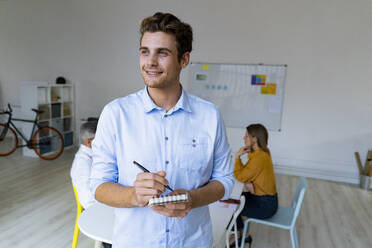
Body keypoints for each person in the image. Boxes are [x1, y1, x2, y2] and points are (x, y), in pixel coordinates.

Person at [90, 12, 234, 248]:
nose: (150, 62)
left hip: (193, 242)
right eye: (145, 51)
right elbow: (98, 186)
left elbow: (225, 179)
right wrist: (133, 195)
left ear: (184, 60)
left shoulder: (210, 116)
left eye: (162, 53)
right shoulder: (115, 114)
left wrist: (192, 198)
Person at [232, 123, 278, 245]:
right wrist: (248, 181)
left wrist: (237, 157)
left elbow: (240, 176)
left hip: (265, 205)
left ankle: (238, 235)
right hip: (265, 199)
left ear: (254, 139)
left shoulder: (259, 158)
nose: (244, 138)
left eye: (246, 136)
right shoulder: (261, 153)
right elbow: (245, 174)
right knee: (234, 199)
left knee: (232, 206)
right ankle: (243, 234)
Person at [70, 121, 98, 209]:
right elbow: (88, 201)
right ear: (89, 142)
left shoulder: (92, 155)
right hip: (95, 208)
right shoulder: (82, 164)